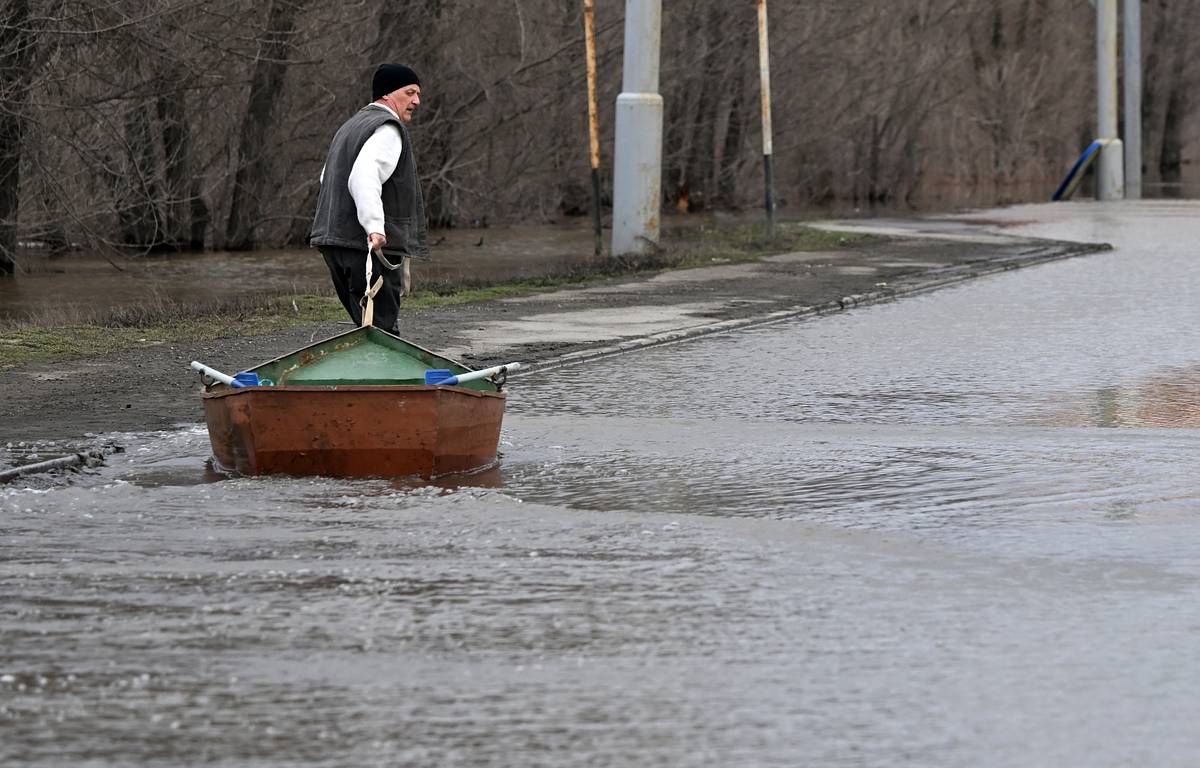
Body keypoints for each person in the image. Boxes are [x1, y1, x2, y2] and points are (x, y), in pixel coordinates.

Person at [309, 63, 429, 333]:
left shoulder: (350, 126)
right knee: (382, 330)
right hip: (366, 245)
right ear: (387, 94)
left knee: (367, 326)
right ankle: (389, 376)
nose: (416, 101)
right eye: (410, 93)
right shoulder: (387, 129)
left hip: (334, 243)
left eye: (418, 94)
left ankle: (367, 373)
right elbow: (363, 177)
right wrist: (375, 227)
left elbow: (326, 178)